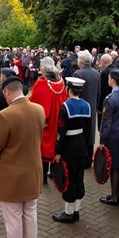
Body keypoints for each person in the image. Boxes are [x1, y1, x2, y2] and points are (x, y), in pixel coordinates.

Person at [0, 76, 46, 238]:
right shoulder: (39, 110)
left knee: (13, 220)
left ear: (7, 92)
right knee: (30, 216)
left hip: (12, 176)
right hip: (34, 172)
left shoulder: (4, 115)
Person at [52, 77, 91, 223]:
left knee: (68, 179)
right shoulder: (86, 105)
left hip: (68, 147)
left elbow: (61, 132)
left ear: (69, 90)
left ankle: (68, 213)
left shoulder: (65, 106)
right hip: (81, 146)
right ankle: (76, 212)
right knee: (79, 178)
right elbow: (88, 131)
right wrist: (86, 148)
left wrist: (58, 152)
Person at [30, 56, 67, 184]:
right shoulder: (61, 82)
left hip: (45, 121)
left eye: (41, 66)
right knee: (55, 144)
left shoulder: (42, 83)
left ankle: (43, 176)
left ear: (44, 68)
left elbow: (34, 102)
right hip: (58, 119)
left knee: (44, 147)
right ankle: (54, 173)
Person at [99, 68, 119, 205]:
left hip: (114, 136)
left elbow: (106, 121)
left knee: (114, 167)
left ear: (112, 80)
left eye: (109, 78)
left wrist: (101, 139)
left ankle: (113, 197)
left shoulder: (110, 98)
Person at [73, 50, 101, 163]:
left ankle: (82, 158)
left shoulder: (78, 74)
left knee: (81, 132)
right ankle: (89, 158)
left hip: (80, 108)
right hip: (92, 106)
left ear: (81, 62)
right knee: (91, 133)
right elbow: (99, 92)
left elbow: (75, 93)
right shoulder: (96, 73)